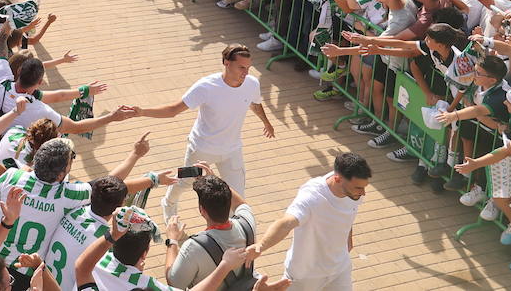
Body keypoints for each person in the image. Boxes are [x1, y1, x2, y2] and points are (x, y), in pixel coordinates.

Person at [142, 45, 274, 211]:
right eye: (241, 67)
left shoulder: (252, 83)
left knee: (237, 195)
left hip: (232, 151)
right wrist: (141, 112)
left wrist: (266, 122)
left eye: (248, 68)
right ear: (226, 62)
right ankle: (168, 202)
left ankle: (235, 229)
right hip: (201, 149)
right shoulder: (206, 86)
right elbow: (173, 110)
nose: (246, 73)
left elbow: (254, 103)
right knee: (184, 182)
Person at [246, 151, 371, 291]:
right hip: (305, 276)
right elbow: (286, 223)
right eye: (359, 188)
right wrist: (261, 245)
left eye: (364, 187)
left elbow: (349, 211)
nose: (363, 193)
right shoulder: (312, 196)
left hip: (339, 270)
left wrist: (347, 236)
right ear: (337, 179)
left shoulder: (353, 190)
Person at [164, 165, 257, 290]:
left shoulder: (193, 247)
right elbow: (241, 204)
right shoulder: (247, 223)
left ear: (202, 210)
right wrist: (215, 181)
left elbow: (174, 283)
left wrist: (172, 241)